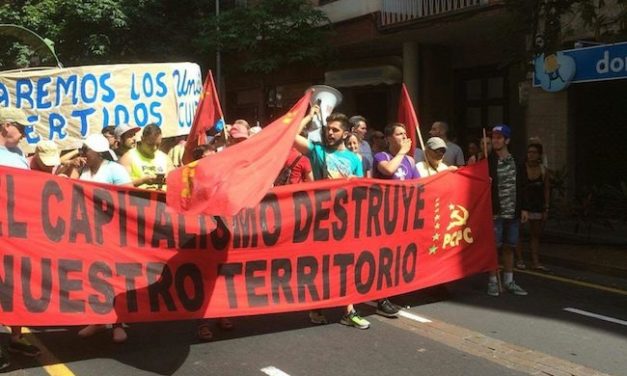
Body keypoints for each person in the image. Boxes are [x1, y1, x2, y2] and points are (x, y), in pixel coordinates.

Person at [294, 106, 370, 329]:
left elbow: (359, 189)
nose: (330, 133)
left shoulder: (354, 159)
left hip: (345, 220)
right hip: (321, 218)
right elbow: (291, 137)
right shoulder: (317, 151)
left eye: (335, 130)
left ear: (346, 134)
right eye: (329, 129)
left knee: (347, 263)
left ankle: (349, 311)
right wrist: (308, 116)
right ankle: (317, 306)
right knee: (323, 265)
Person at [75, 133, 132, 343]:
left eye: (86, 150)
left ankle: (118, 322)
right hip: (90, 234)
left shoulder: (114, 169)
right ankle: (97, 320)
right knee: (93, 276)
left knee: (113, 277)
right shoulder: (84, 170)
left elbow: (129, 197)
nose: (83, 154)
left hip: (111, 233)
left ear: (97, 152)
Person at [0, 108, 42, 369]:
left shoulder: (17, 154)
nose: (26, 133)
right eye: (21, 128)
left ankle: (15, 336)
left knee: (15, 284)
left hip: (18, 229)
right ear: (6, 126)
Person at [371, 122, 420, 317]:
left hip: (403, 216)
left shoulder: (410, 161)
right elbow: (388, 171)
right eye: (399, 134)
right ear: (389, 138)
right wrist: (402, 153)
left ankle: (394, 292)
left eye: (405, 133)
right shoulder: (381, 157)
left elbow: (418, 184)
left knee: (398, 256)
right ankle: (381, 297)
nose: (404, 137)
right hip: (384, 215)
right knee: (383, 257)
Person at [487, 124, 528, 297]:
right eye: (493, 137)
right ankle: (493, 281)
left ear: (507, 140)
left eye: (499, 137)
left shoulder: (517, 161)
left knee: (509, 246)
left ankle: (509, 280)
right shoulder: (488, 161)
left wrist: (524, 208)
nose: (495, 140)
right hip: (495, 211)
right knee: (493, 247)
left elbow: (523, 186)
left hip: (513, 211)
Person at [516, 143, 551, 271]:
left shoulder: (543, 170)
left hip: (537, 205)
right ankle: (520, 259)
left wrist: (546, 207)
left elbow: (546, 189)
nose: (531, 155)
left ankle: (535, 261)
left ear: (539, 154)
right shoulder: (521, 168)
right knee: (518, 232)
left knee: (535, 234)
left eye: (534, 152)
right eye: (529, 152)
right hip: (523, 205)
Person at [119, 124, 172, 191]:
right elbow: (121, 186)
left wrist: (168, 180)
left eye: (158, 144)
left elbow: (175, 182)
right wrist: (142, 181)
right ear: (142, 139)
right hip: (139, 199)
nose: (154, 148)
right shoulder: (128, 158)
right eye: (150, 144)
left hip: (161, 198)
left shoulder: (165, 158)